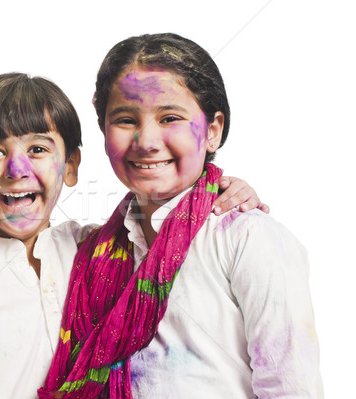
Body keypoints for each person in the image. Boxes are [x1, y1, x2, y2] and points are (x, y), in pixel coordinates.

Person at [0, 73, 265, 399]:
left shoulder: (98, 252)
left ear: (70, 166)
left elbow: (163, 222)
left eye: (38, 149)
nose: (17, 169)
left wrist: (221, 188)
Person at [39, 33, 323, 399]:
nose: (146, 140)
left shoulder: (246, 238)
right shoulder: (84, 251)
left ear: (213, 131)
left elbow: (291, 387)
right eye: (125, 119)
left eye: (170, 117)